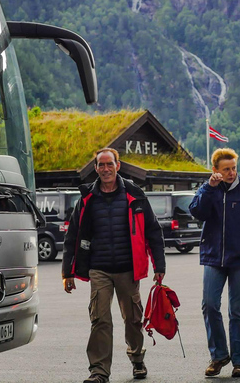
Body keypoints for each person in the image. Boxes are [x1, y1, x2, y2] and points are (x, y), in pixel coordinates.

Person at [62, 148, 166, 383]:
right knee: (100, 320)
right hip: (98, 268)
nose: (106, 169)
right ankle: (99, 371)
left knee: (133, 319)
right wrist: (67, 272)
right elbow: (73, 235)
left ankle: (137, 359)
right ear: (96, 168)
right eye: (101, 165)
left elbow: (153, 231)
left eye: (110, 164)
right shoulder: (87, 198)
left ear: (118, 166)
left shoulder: (134, 194)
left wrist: (159, 266)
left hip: (128, 269)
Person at [188, 148, 240, 378]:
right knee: (210, 305)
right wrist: (210, 189)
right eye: (226, 169)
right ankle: (219, 356)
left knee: (237, 310)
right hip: (213, 258)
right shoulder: (207, 189)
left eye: (233, 168)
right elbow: (197, 212)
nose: (231, 173)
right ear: (215, 170)